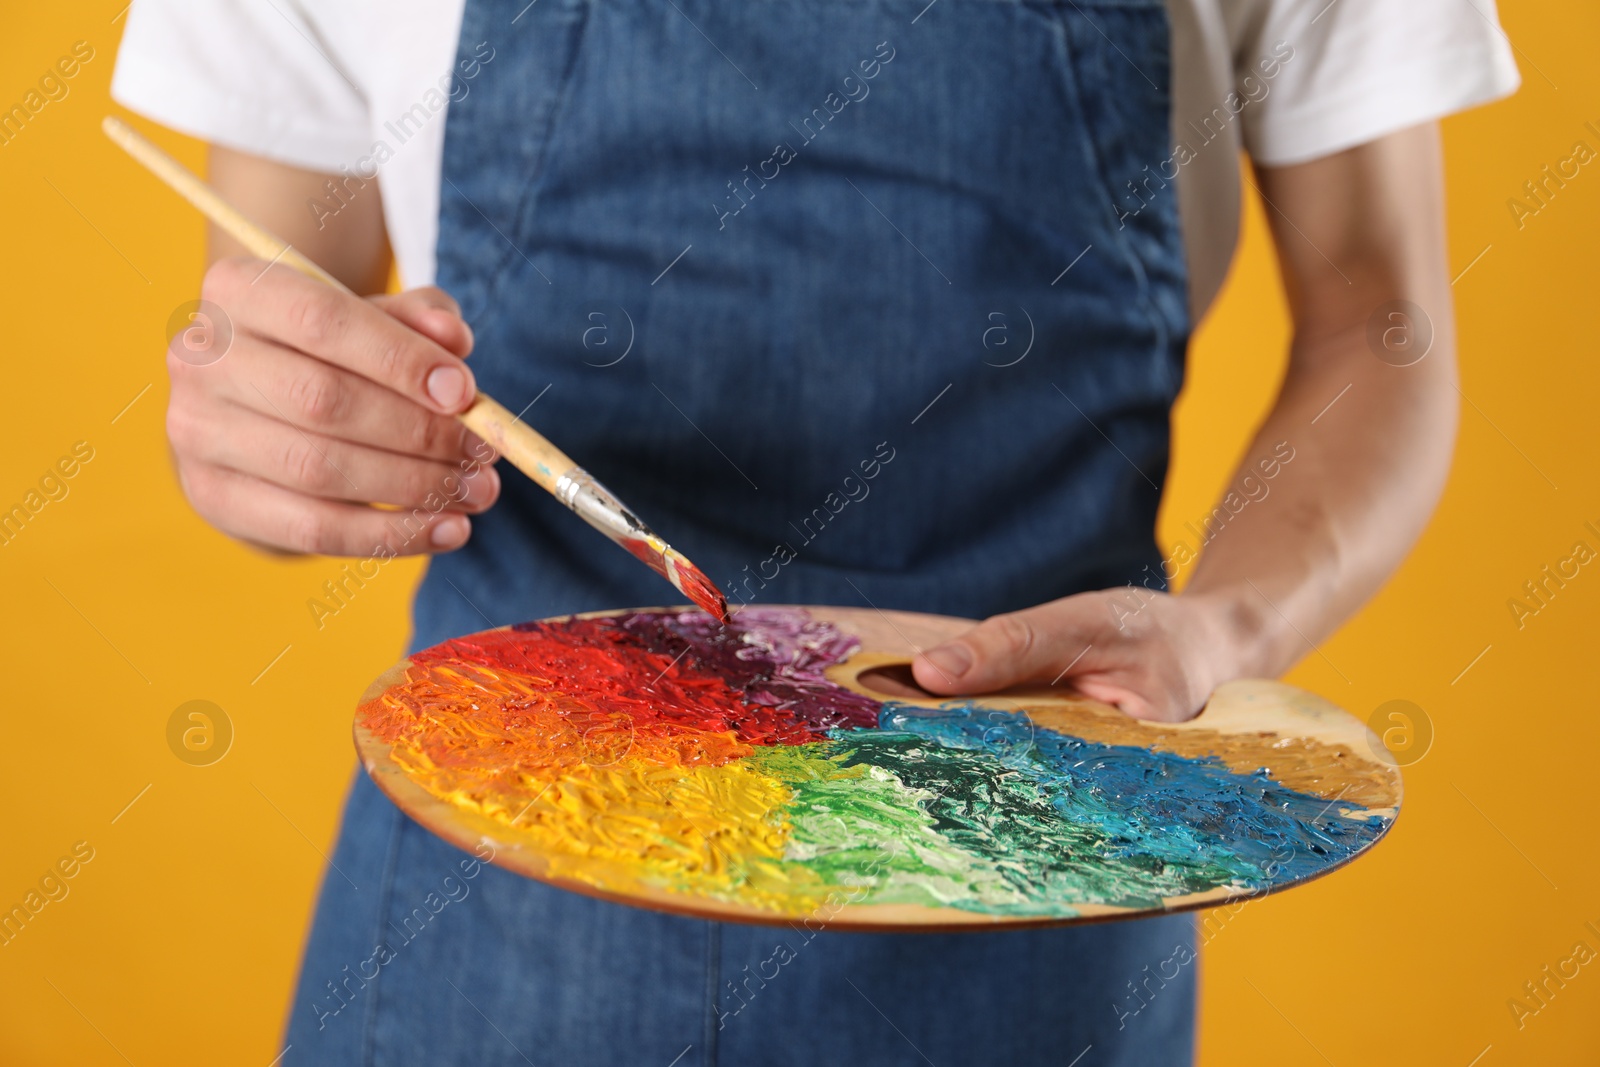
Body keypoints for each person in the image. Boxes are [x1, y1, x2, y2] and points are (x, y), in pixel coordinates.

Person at [113, 1, 1518, 1062]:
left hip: (1036, 876)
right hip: (499, 908)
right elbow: (271, 317)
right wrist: (271, 431)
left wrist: (1230, 626)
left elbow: (1378, 327)